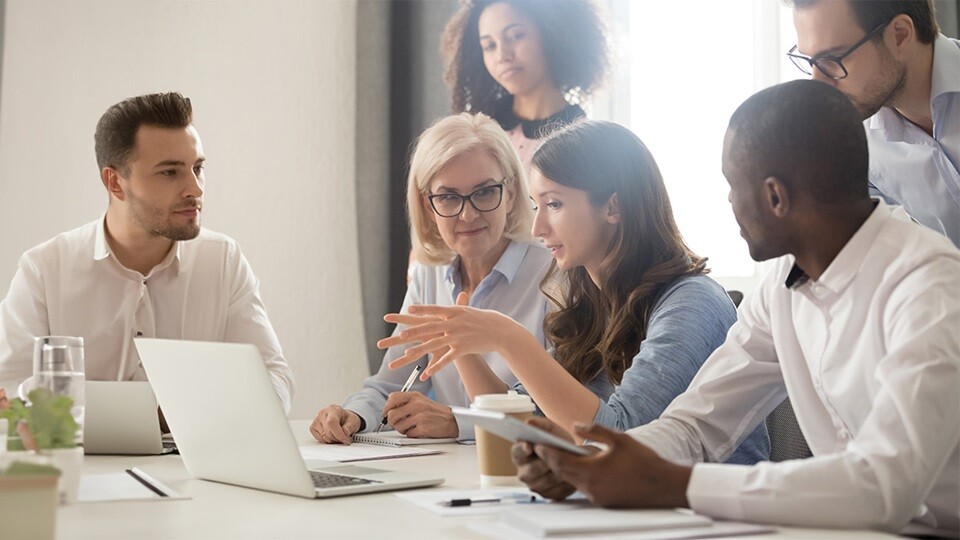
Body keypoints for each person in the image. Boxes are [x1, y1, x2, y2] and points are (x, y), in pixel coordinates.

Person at [511, 80, 959, 535]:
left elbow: (884, 488)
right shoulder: (782, 283)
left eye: (731, 185)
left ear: (775, 197)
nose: (728, 203)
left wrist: (677, 485)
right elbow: (696, 425)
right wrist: (586, 462)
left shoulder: (929, 286)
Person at [380, 120, 768, 464]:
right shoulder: (595, 304)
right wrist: (459, 339)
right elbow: (517, 421)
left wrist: (508, 338)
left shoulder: (691, 303)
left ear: (612, 207)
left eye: (554, 204)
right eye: (537, 205)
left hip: (715, 518)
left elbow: (620, 437)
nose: (537, 228)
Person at [0, 92, 295, 413]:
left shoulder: (223, 260)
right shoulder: (45, 269)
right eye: (170, 172)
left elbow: (274, 385)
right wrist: (175, 412)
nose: (195, 189)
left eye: (197, 168)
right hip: (78, 463)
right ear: (114, 182)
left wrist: (72, 399)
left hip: (188, 464)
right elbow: (10, 390)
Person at [309, 113, 551, 444]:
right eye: (449, 197)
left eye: (484, 192)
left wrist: (457, 422)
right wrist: (353, 416)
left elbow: (552, 413)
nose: (468, 214)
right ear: (428, 206)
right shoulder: (429, 274)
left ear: (509, 194)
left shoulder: (554, 271)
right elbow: (391, 384)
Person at [786, 0, 959, 246]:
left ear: (900, 35)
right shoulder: (855, 146)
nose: (818, 82)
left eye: (833, 59)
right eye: (811, 61)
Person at [441, 0, 611, 172]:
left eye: (515, 36)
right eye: (489, 46)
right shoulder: (479, 133)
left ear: (551, 33)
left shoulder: (585, 142)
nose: (502, 55)